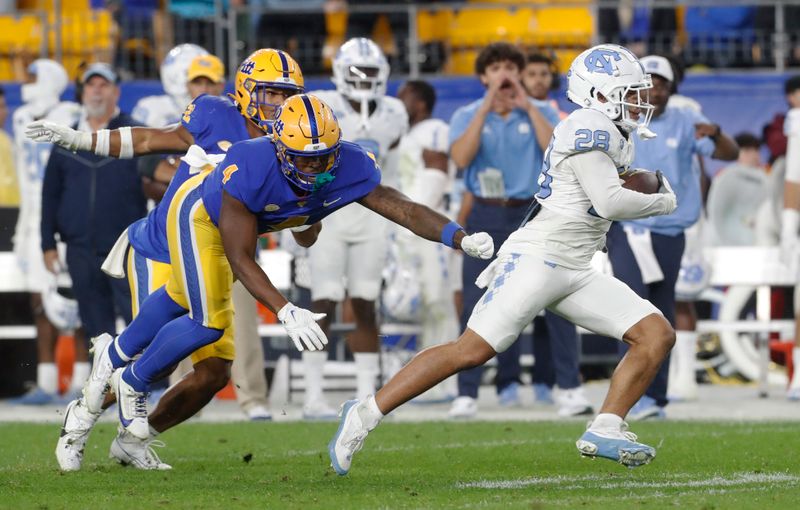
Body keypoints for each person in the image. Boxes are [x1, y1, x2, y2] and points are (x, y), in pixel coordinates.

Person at [33, 93, 494, 465]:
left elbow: (403, 208)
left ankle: (117, 373)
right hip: (196, 219)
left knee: (209, 360)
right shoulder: (248, 159)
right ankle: (126, 379)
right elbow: (239, 254)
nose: (314, 167)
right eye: (303, 159)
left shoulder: (348, 163)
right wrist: (285, 308)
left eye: (323, 158)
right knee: (206, 322)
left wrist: (458, 237)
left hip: (225, 235)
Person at [328, 44, 678, 475]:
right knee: (470, 351)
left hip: (575, 266)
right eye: (630, 91)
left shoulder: (609, 129)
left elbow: (600, 192)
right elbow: (609, 202)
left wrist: (638, 184)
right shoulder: (588, 125)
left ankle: (605, 425)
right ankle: (365, 411)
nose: (641, 100)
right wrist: (662, 202)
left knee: (655, 334)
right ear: (598, 95)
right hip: (539, 260)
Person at [28, 49, 305, 471]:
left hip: (216, 257)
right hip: (163, 249)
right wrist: (81, 140)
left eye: (286, 96)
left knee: (213, 374)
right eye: (270, 94)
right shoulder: (214, 114)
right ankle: (79, 421)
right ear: (247, 91)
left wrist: (311, 203)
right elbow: (146, 140)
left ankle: (132, 441)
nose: (278, 105)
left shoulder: (292, 139)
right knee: (154, 358)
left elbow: (306, 224)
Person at [606, 55, 738, 418]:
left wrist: (716, 133)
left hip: (670, 229)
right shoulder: (619, 118)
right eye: (647, 82)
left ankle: (654, 399)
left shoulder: (686, 119)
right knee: (633, 314)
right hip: (630, 230)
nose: (654, 90)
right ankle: (626, 398)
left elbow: (731, 153)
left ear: (671, 88)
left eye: (661, 83)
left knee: (662, 315)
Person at [447, 42, 562, 419]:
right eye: (495, 68)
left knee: (549, 297)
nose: (504, 75)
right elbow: (461, 158)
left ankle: (562, 387)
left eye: (510, 67)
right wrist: (486, 107)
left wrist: (527, 107)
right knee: (477, 301)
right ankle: (467, 392)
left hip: (531, 213)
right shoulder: (467, 113)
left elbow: (555, 155)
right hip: (486, 213)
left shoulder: (541, 110)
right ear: (483, 76)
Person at [304, 37, 409, 419]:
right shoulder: (320, 104)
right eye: (357, 72)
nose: (364, 80)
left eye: (370, 73)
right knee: (323, 300)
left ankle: (368, 393)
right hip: (329, 211)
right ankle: (312, 394)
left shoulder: (394, 111)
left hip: (370, 213)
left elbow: (393, 165)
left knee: (365, 300)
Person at [40, 63, 146, 385]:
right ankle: (103, 387)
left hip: (126, 245)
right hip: (80, 246)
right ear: (82, 92)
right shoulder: (66, 139)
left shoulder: (135, 135)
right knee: (94, 323)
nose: (97, 90)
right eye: (91, 85)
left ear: (116, 91)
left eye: (104, 84)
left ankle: (144, 384)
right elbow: (50, 195)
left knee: (138, 318)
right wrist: (47, 243)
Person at [520, 51, 592, 416]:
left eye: (542, 74)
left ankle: (566, 385)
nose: (536, 80)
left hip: (549, 212)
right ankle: (508, 383)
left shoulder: (560, 115)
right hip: (505, 210)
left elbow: (551, 142)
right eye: (529, 73)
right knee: (509, 302)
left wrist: (529, 108)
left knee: (558, 302)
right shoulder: (482, 113)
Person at [9, 59, 82, 405]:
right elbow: (25, 178)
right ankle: (46, 382)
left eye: (34, 76)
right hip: (34, 214)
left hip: (66, 214)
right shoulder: (21, 116)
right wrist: (24, 228)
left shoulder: (72, 114)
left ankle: (84, 380)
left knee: (78, 301)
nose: (28, 82)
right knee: (40, 302)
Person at [388, 79, 458, 402]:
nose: (399, 103)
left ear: (421, 103)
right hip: (410, 229)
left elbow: (436, 173)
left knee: (438, 302)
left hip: (428, 227)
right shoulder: (407, 135)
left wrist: (412, 221)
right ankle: (425, 378)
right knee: (422, 304)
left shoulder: (433, 128)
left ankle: (447, 381)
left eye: (405, 97)